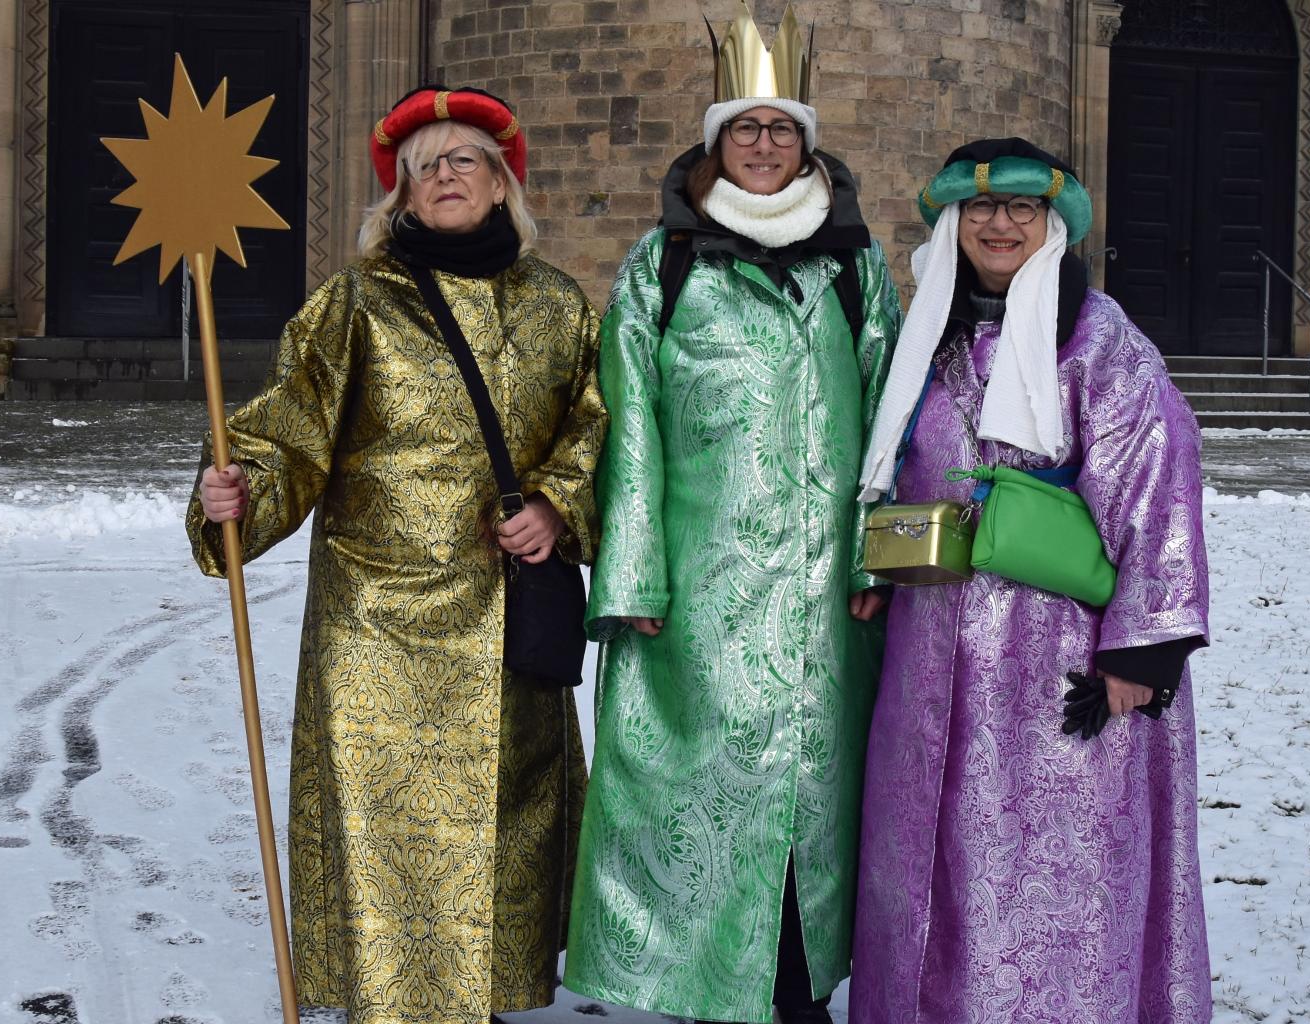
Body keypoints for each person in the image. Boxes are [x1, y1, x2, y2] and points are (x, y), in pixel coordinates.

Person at [188, 86, 606, 1024]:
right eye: (424, 167)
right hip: (376, 621)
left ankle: (483, 1000)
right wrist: (241, 489)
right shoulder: (355, 304)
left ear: (501, 184)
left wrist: (555, 504)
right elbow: (288, 429)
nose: (444, 176)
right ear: (402, 196)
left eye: (464, 161)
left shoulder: (558, 306)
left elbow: (594, 427)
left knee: (505, 817)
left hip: (505, 615)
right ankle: (390, 1005)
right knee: (387, 825)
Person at [562, 6, 902, 1023]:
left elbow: (891, 420)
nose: (762, 145)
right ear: (716, 143)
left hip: (827, 597)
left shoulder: (853, 265)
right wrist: (631, 575)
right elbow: (629, 421)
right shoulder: (662, 266)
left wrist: (876, 563)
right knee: (699, 798)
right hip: (699, 599)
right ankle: (703, 992)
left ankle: (800, 987)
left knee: (815, 793)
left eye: (780, 129)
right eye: (744, 128)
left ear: (807, 144)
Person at [847, 138, 1213, 1023]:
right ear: (952, 222)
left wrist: (1142, 654)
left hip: (1057, 660)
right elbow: (894, 464)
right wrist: (880, 567)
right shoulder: (927, 340)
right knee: (931, 858)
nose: (999, 224)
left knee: (1051, 862)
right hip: (930, 651)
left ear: (1053, 226)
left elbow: (1159, 482)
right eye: (980, 207)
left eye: (1021, 208)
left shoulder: (1100, 343)